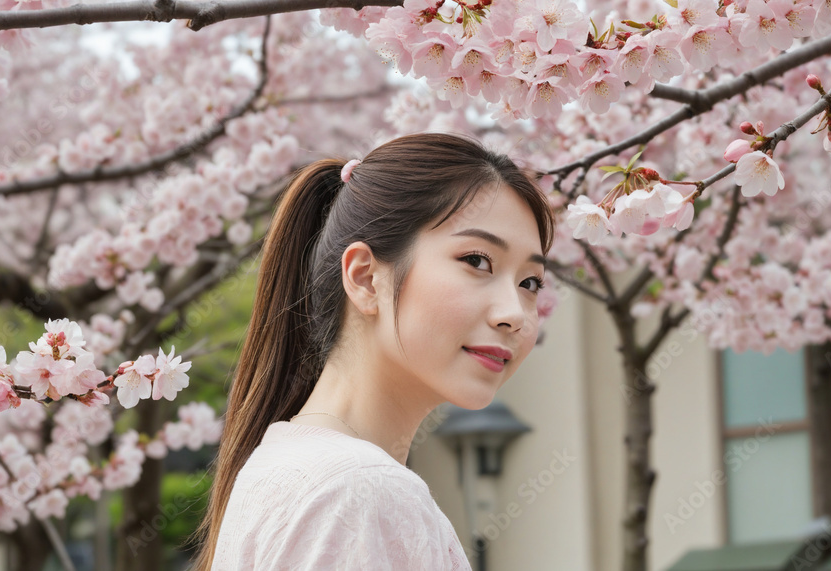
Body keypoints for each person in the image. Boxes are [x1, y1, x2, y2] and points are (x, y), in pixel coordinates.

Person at [188, 132, 556, 570]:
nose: (514, 313)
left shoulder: (286, 466)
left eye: (530, 282)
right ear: (365, 279)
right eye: (477, 260)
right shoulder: (359, 491)